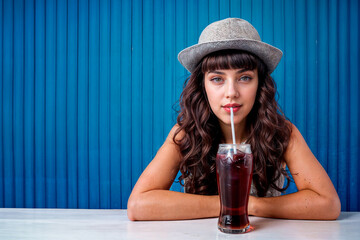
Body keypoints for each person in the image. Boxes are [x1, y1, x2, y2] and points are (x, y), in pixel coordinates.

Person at [127, 18, 340, 221]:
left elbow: (328, 203)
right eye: (217, 79)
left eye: (244, 78)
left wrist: (250, 205)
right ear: (203, 86)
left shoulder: (281, 132)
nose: (231, 92)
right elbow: (138, 205)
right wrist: (229, 204)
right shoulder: (185, 134)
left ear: (260, 84)